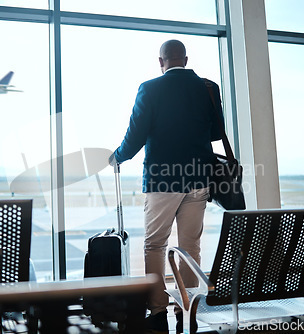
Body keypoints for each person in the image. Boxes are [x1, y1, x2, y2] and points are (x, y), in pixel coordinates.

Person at [109, 39, 224, 334]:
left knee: (155, 244)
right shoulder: (208, 88)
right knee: (190, 247)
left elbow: (135, 136)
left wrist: (118, 156)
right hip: (199, 178)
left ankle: (158, 311)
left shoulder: (150, 88)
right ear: (185, 59)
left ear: (161, 62)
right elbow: (215, 133)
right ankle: (188, 309)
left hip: (162, 179)